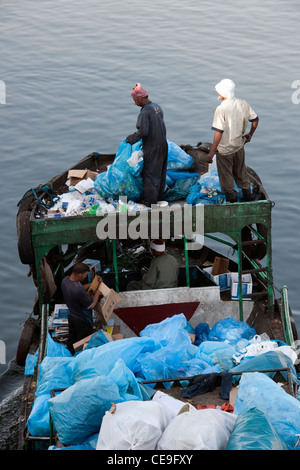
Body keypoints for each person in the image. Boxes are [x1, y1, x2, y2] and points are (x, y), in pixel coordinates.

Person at [206, 79, 259, 203]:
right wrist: (250, 134)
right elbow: (255, 120)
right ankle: (248, 199)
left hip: (225, 151)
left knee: (227, 179)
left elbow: (218, 132)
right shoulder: (243, 103)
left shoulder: (221, 109)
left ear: (222, 93)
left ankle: (233, 204)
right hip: (239, 146)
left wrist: (211, 152)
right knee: (241, 174)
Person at [126, 83, 168, 207]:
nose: (135, 103)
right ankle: (159, 198)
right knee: (160, 172)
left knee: (150, 175)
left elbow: (143, 131)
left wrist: (131, 139)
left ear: (141, 98)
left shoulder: (145, 111)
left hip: (153, 147)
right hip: (163, 145)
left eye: (135, 100)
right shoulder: (157, 107)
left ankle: (150, 203)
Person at [61, 262, 102, 354]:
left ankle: (69, 354)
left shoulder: (66, 280)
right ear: (79, 275)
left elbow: (80, 287)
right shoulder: (77, 289)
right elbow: (91, 305)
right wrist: (97, 293)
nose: (84, 277)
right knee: (83, 342)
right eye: (84, 275)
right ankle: (79, 357)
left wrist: (92, 284)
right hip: (81, 319)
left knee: (72, 339)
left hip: (71, 315)